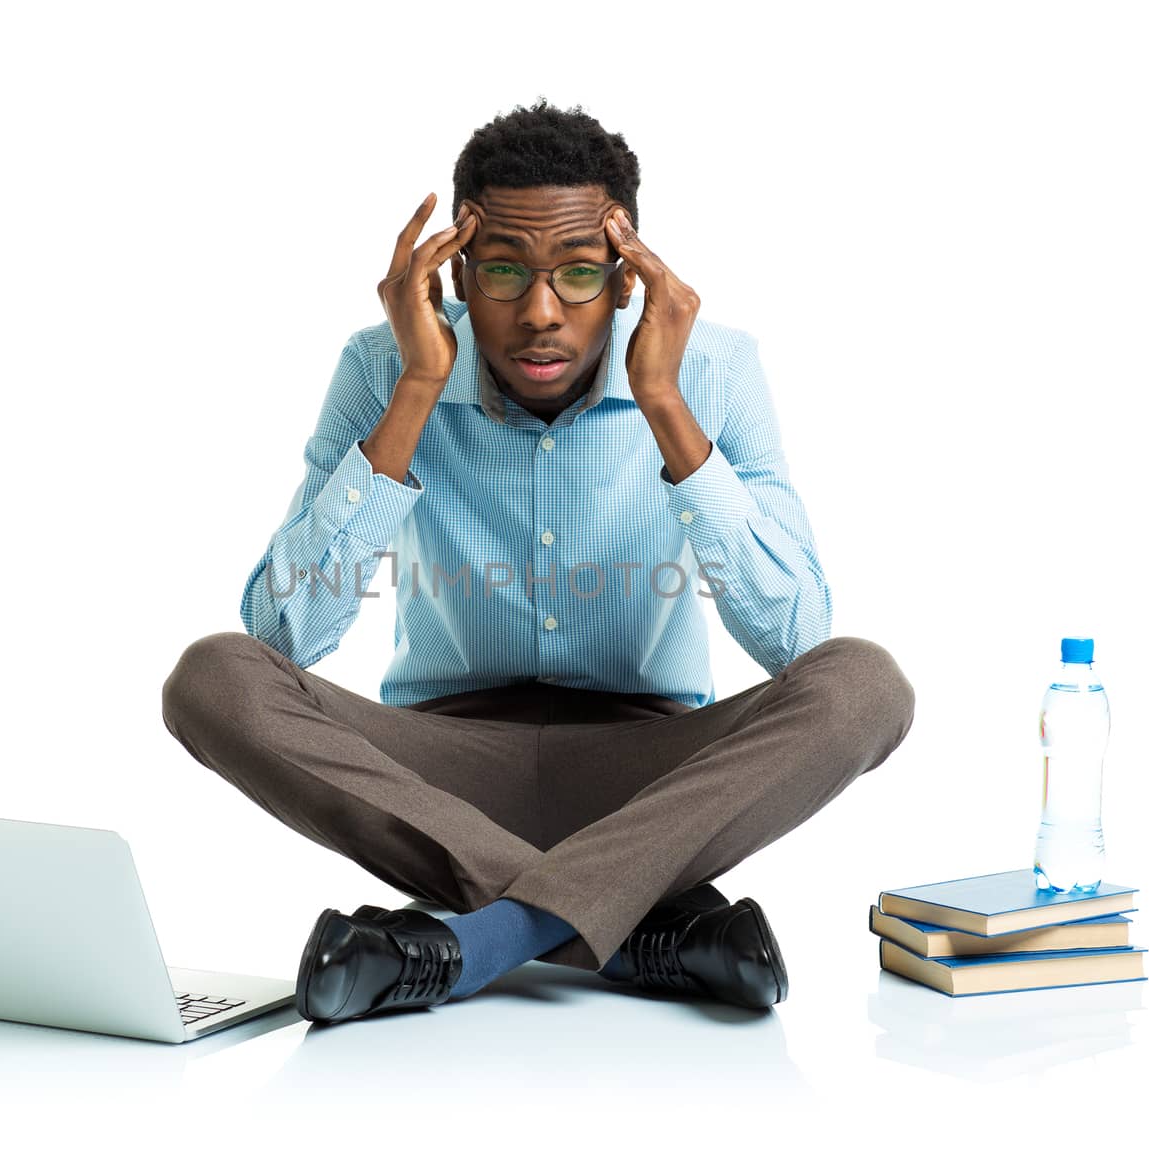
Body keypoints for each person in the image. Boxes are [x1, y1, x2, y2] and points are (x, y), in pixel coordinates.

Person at [161, 98, 915, 1025]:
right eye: (505, 272)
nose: (539, 313)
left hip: (650, 775)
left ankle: (476, 940)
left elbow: (797, 638)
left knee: (865, 685)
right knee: (214, 680)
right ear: (457, 272)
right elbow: (281, 638)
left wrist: (666, 408)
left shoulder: (712, 371)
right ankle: (639, 926)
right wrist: (416, 388)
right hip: (439, 777)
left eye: (580, 274)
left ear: (628, 275)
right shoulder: (384, 365)